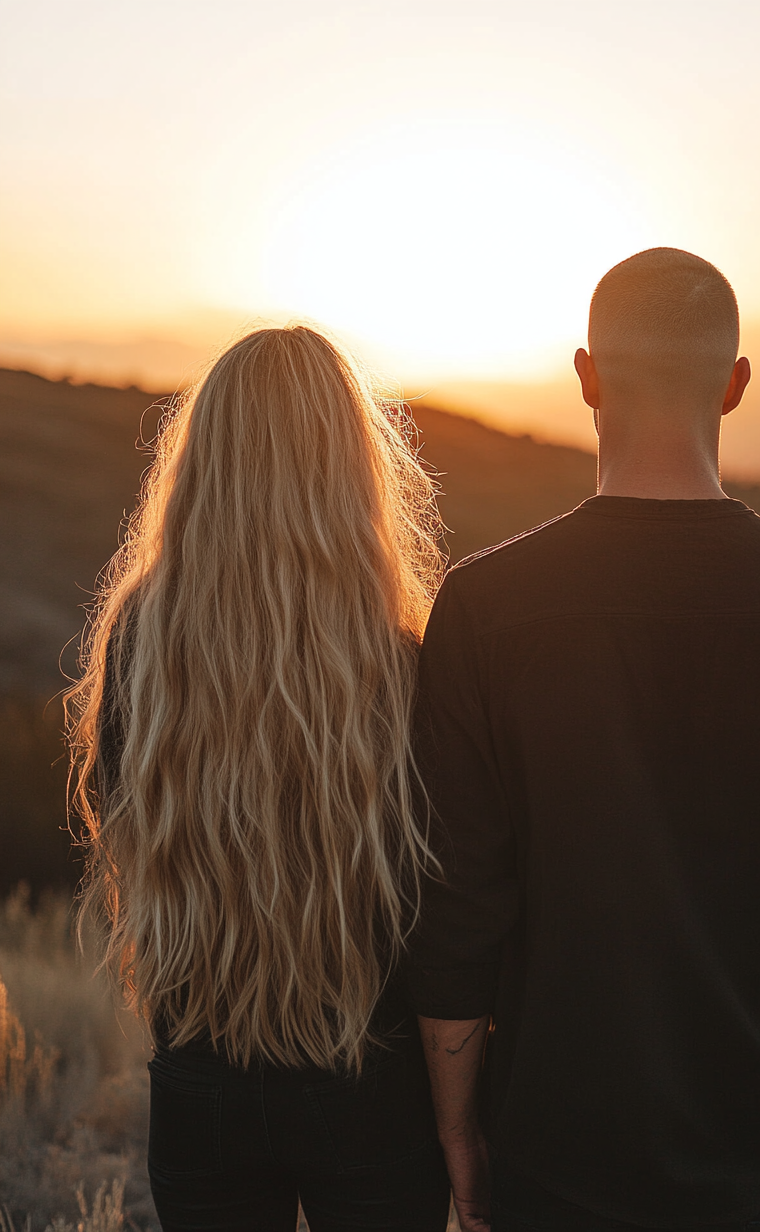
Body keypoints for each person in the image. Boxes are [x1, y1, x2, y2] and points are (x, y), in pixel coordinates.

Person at [409, 249, 760, 1232]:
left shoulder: (483, 608)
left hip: (553, 1160)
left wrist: (459, 1133)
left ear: (586, 377)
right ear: (734, 387)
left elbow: (456, 909)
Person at [67, 326, 451, 1232]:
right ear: (353, 469)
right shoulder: (407, 664)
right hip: (372, 1072)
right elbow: (438, 886)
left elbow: (113, 821)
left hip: (203, 1069)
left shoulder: (138, 642)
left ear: (204, 462)